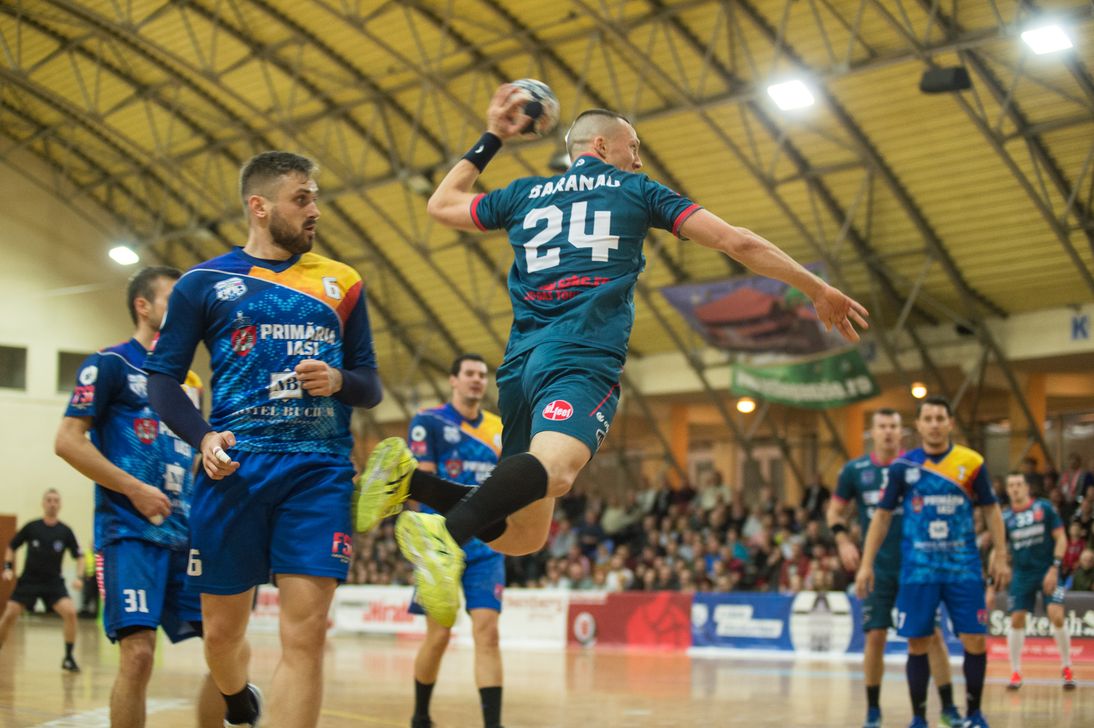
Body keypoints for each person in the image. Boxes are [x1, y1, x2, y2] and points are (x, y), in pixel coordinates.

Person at [355, 84, 868, 628]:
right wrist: (816, 288)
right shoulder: (636, 190)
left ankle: (410, 482)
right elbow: (736, 242)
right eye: (634, 147)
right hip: (582, 356)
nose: (639, 159)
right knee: (558, 472)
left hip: (521, 368)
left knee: (524, 535)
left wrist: (493, 137)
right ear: (601, 146)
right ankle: (445, 534)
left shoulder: (525, 194)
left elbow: (441, 205)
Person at [143, 151, 382, 728]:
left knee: (306, 636)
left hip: (319, 471)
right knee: (221, 637)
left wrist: (340, 381)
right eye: (301, 199)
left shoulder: (343, 282)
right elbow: (162, 381)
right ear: (259, 206)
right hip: (235, 471)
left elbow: (370, 385)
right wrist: (203, 438)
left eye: (315, 198)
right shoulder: (202, 284)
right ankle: (235, 698)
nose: (314, 210)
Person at [54, 265, 222, 727]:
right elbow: (67, 441)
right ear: (142, 306)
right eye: (173, 298)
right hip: (128, 533)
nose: (185, 308)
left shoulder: (191, 383)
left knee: (225, 647)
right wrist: (134, 489)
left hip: (186, 537)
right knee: (139, 655)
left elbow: (194, 456)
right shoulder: (109, 363)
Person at [856, 397, 1009, 728]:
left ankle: (974, 715)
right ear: (919, 425)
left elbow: (991, 509)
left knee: (975, 639)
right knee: (918, 642)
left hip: (963, 567)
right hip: (918, 570)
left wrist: (1001, 555)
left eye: (941, 418)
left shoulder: (971, 462)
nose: (935, 424)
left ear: (950, 423)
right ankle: (918, 718)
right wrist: (866, 564)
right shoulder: (903, 467)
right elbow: (881, 517)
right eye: (928, 419)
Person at [829, 409, 962, 728]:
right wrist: (843, 541)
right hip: (878, 568)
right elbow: (834, 512)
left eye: (893, 426)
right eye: (882, 426)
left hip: (918, 567)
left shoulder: (918, 466)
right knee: (875, 636)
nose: (888, 431)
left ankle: (948, 708)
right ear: (872, 432)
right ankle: (873, 711)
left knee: (932, 635)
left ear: (901, 432)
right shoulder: (855, 470)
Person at [396, 353, 505, 728]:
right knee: (439, 635)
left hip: (487, 545)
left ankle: (493, 724)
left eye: (482, 375)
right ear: (453, 380)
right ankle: (420, 716)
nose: (477, 380)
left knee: (488, 633)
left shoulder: (498, 428)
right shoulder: (429, 421)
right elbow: (422, 486)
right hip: (438, 544)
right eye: (469, 373)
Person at [1000, 472, 1075, 690]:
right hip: (1021, 575)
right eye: (1011, 485)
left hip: (1049, 571)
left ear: (1027, 487)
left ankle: (1067, 667)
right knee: (1016, 619)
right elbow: (1000, 548)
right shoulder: (1005, 517)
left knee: (1056, 614)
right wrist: (1000, 568)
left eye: (1019, 484)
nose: (1015, 488)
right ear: (1007, 490)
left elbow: (1061, 538)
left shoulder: (1045, 508)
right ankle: (1015, 672)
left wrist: (1055, 567)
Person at [0, 489, 81, 671]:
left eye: (56, 500)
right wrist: (7, 568)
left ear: (60, 505)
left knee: (70, 613)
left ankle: (68, 658)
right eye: (49, 500)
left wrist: (79, 577)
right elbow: (11, 547)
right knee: (10, 614)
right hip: (29, 581)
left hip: (53, 583)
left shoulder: (65, 531)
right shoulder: (32, 527)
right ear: (43, 503)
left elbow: (80, 556)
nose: (52, 504)